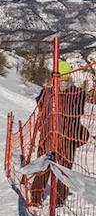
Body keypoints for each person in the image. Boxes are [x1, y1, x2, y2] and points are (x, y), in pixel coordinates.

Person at [29, 60, 91, 207]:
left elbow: (40, 104)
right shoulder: (78, 94)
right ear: (68, 75)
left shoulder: (46, 93)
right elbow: (77, 112)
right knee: (64, 168)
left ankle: (36, 197)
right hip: (67, 136)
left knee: (44, 166)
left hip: (48, 134)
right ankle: (59, 198)